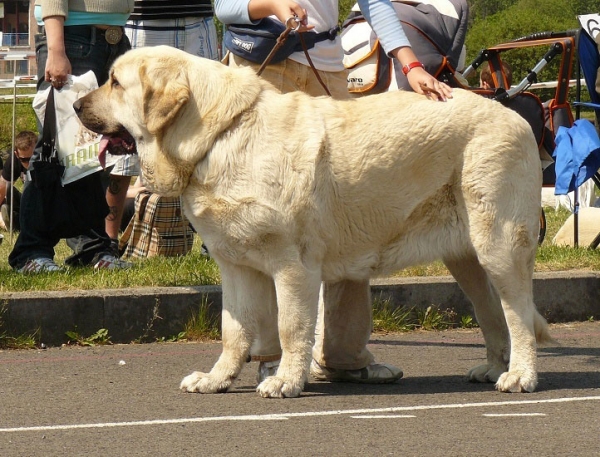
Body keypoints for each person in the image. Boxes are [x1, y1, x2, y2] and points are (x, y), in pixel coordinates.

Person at [215, 0, 453, 384]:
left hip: (329, 70)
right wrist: (273, 6)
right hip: (265, 72)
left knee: (348, 213)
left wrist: (409, 64)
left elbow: (375, 3)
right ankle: (272, 357)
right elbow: (225, 7)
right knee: (265, 223)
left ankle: (344, 356)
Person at [8, 0, 135, 273]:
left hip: (113, 38)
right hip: (73, 38)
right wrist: (56, 48)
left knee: (97, 151)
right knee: (53, 154)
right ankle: (31, 251)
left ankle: (93, 249)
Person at [105, 0, 219, 253]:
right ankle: (108, 240)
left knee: (208, 127)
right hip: (141, 20)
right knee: (126, 128)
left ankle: (213, 240)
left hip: (197, 18)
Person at [0, 130, 37, 232]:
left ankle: (14, 221)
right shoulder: (14, 159)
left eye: (33, 158)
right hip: (27, 200)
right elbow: (2, 187)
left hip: (45, 203)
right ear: (16, 154)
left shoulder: (47, 160)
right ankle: (10, 218)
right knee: (7, 188)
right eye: (24, 160)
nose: (29, 163)